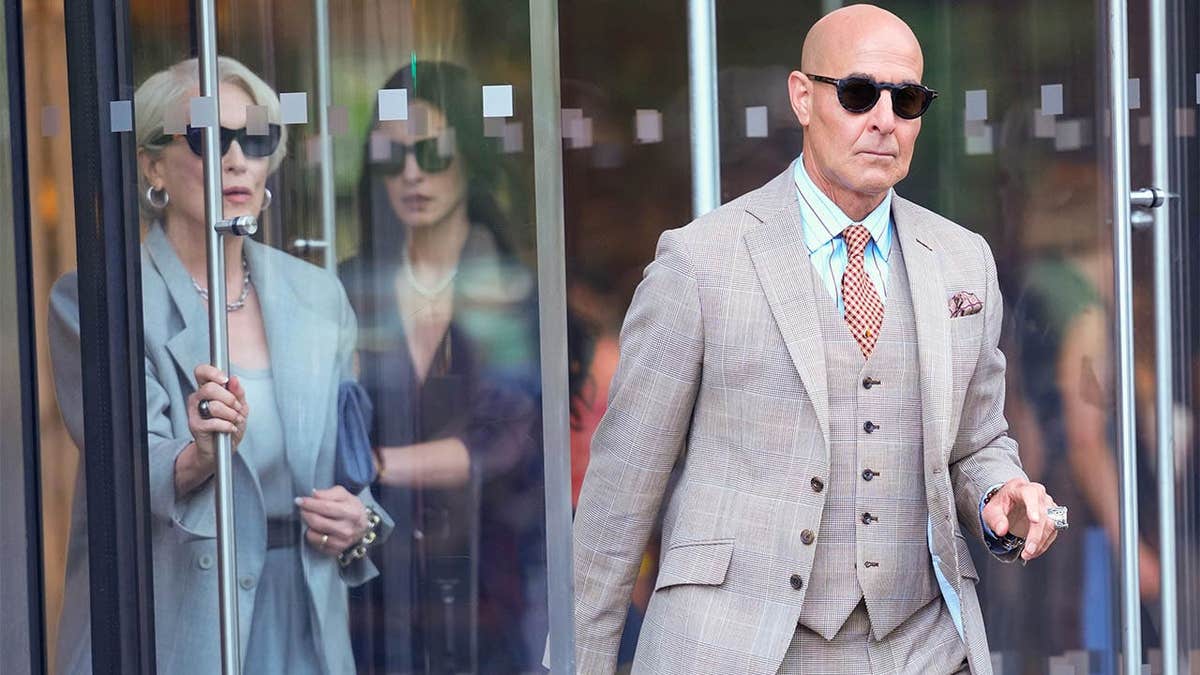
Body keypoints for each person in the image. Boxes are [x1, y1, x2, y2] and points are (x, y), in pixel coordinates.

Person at [572, 5, 1066, 674]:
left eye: (908, 99)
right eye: (860, 93)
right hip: (741, 645)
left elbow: (976, 441)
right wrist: (583, 660)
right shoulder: (700, 261)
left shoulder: (961, 259)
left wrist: (999, 492)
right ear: (803, 97)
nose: (884, 119)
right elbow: (622, 488)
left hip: (923, 644)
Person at [48, 56, 391, 674]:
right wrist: (197, 457)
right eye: (209, 138)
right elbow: (124, 464)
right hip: (174, 620)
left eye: (255, 140)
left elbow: (348, 460)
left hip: (304, 620)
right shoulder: (103, 301)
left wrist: (358, 519)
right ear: (152, 163)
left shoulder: (317, 295)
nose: (236, 159)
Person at [339, 61, 542, 673]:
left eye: (431, 153)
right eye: (391, 155)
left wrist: (374, 467)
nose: (410, 174)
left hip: (494, 581)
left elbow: (505, 438)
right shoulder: (352, 287)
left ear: (471, 156)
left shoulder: (508, 288)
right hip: (377, 590)